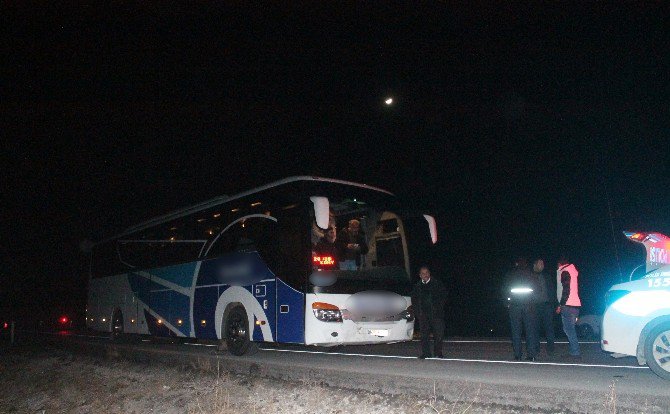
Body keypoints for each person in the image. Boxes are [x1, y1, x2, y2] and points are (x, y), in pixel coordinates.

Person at [504, 257, 540, 361]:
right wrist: (533, 300)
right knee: (530, 330)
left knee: (516, 331)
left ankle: (517, 354)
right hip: (529, 306)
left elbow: (505, 290)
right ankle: (531, 355)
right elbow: (538, 289)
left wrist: (507, 302)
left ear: (516, 264)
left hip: (515, 306)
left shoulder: (511, 275)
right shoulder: (531, 274)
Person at [410, 266, 447, 359]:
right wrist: (418, 313)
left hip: (436, 315)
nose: (425, 275)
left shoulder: (437, 284)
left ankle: (438, 352)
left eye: (426, 273)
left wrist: (438, 308)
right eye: (423, 273)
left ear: (429, 273)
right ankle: (426, 353)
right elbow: (414, 300)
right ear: (420, 275)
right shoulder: (417, 286)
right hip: (423, 315)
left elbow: (444, 296)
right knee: (424, 336)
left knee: (438, 334)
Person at [556, 257, 581, 357]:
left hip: (568, 305)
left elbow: (566, 289)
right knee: (570, 329)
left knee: (569, 329)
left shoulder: (565, 272)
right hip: (575, 305)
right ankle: (574, 350)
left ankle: (575, 352)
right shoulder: (572, 271)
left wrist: (561, 304)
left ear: (560, 264)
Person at [533, 259, 555, 355]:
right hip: (535, 306)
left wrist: (555, 304)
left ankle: (550, 349)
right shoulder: (531, 275)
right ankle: (536, 348)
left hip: (547, 305)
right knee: (535, 328)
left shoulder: (546, 275)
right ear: (535, 264)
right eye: (540, 263)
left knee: (549, 328)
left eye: (543, 263)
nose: (542, 265)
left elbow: (552, 290)